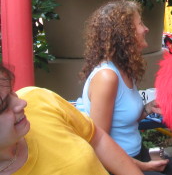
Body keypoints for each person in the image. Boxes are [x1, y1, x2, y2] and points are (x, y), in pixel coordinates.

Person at [78, 0, 172, 175]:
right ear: (125, 34)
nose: (146, 28)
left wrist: (148, 108)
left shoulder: (124, 69)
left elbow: (122, 119)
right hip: (116, 166)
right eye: (140, 23)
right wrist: (141, 166)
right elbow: (99, 143)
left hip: (138, 154)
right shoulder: (107, 77)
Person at [0, 63, 144, 175]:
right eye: (5, 105)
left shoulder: (37, 99)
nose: (22, 103)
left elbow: (96, 137)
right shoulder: (107, 75)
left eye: (12, 92)